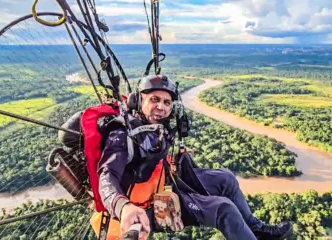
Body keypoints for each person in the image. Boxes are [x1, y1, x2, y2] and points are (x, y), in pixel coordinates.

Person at [97, 74, 294, 240]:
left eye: (167, 102)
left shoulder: (156, 127)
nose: (161, 107)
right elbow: (106, 176)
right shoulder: (122, 134)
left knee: (227, 179)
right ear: (139, 101)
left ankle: (256, 230)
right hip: (146, 209)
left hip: (168, 184)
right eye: (154, 99)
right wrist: (123, 207)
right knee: (224, 209)